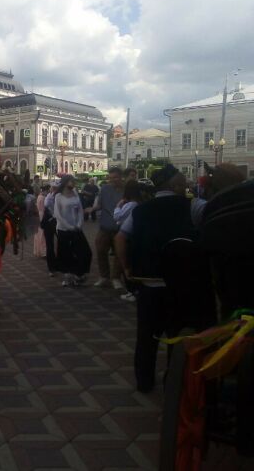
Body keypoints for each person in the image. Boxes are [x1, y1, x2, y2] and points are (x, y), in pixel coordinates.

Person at [114, 164, 196, 393]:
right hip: (180, 285)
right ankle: (174, 381)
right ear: (176, 186)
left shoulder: (140, 210)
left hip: (149, 284)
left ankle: (144, 381)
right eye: (184, 184)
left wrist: (127, 267)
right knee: (177, 337)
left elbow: (120, 238)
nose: (187, 187)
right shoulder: (192, 207)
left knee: (146, 337)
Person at [86, 167, 125, 290]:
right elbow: (100, 205)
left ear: (121, 177)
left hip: (120, 228)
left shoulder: (126, 190)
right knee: (101, 250)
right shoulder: (105, 189)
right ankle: (104, 277)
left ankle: (116, 278)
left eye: (115, 177)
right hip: (105, 226)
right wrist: (91, 209)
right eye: (111, 178)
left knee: (119, 254)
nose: (112, 180)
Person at [54, 174, 92, 286]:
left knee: (85, 252)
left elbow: (80, 210)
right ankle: (68, 276)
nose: (74, 183)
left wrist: (80, 223)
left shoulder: (75, 194)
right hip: (63, 229)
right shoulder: (59, 196)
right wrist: (68, 226)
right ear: (65, 182)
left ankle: (79, 274)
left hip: (77, 228)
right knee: (66, 253)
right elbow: (57, 214)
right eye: (71, 181)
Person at [42, 182, 59, 276]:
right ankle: (51, 268)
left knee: (62, 243)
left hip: (59, 222)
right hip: (49, 223)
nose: (54, 190)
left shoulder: (60, 197)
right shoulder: (48, 197)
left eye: (56, 188)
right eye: (53, 188)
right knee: (50, 245)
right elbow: (47, 205)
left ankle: (59, 264)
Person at [33, 184, 49, 258]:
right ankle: (43, 252)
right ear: (46, 190)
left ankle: (37, 251)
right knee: (42, 234)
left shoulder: (39, 196)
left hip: (38, 215)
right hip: (42, 215)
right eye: (48, 191)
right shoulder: (44, 197)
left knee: (37, 234)